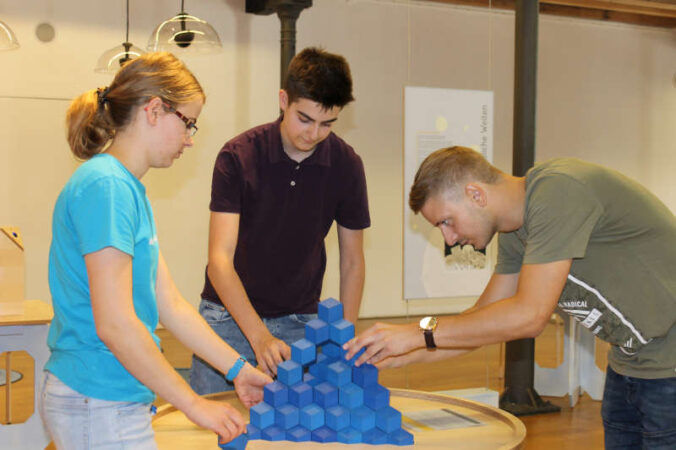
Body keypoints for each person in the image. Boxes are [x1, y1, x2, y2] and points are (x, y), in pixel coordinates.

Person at [344, 146, 676, 449]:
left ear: (475, 194)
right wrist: (403, 354)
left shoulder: (559, 192)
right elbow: (479, 320)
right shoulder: (516, 233)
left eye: (447, 221)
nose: (449, 238)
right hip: (629, 362)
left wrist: (415, 333)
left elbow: (529, 316)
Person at [40, 52, 272, 450]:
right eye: (188, 122)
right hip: (96, 398)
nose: (190, 138)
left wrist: (237, 368)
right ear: (154, 110)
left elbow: (170, 305)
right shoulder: (106, 187)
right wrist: (193, 404)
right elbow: (115, 325)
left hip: (112, 397)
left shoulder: (129, 190)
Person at [189, 47, 370, 394]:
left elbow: (353, 261)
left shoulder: (347, 165)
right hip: (228, 317)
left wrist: (343, 341)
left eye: (327, 124)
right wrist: (259, 338)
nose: (313, 134)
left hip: (300, 323)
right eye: (304, 118)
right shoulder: (238, 156)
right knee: (212, 429)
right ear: (284, 100)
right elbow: (219, 261)